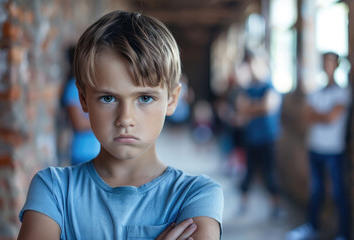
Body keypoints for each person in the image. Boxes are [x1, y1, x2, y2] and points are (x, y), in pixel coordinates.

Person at [18, 10, 223, 239]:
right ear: (84, 99)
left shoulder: (196, 196)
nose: (125, 119)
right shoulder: (53, 190)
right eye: (108, 98)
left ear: (173, 99)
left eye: (145, 98)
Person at [286, 52, 351, 240]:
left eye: (330, 63)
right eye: (324, 63)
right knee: (316, 191)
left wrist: (319, 115)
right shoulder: (316, 92)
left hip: (334, 150)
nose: (327, 66)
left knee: (339, 193)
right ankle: (312, 225)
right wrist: (323, 115)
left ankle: (344, 233)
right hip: (315, 147)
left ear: (336, 66)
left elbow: (332, 118)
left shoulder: (343, 92)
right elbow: (308, 116)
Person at [235, 49, 282, 217]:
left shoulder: (269, 86)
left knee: (270, 173)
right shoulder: (248, 88)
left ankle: (276, 205)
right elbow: (241, 108)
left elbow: (268, 106)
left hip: (267, 137)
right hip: (252, 137)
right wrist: (257, 106)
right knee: (248, 172)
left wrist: (251, 108)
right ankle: (243, 202)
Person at [61, 46, 100, 165]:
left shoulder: (89, 84)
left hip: (96, 152)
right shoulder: (73, 87)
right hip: (83, 153)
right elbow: (78, 123)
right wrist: (104, 121)